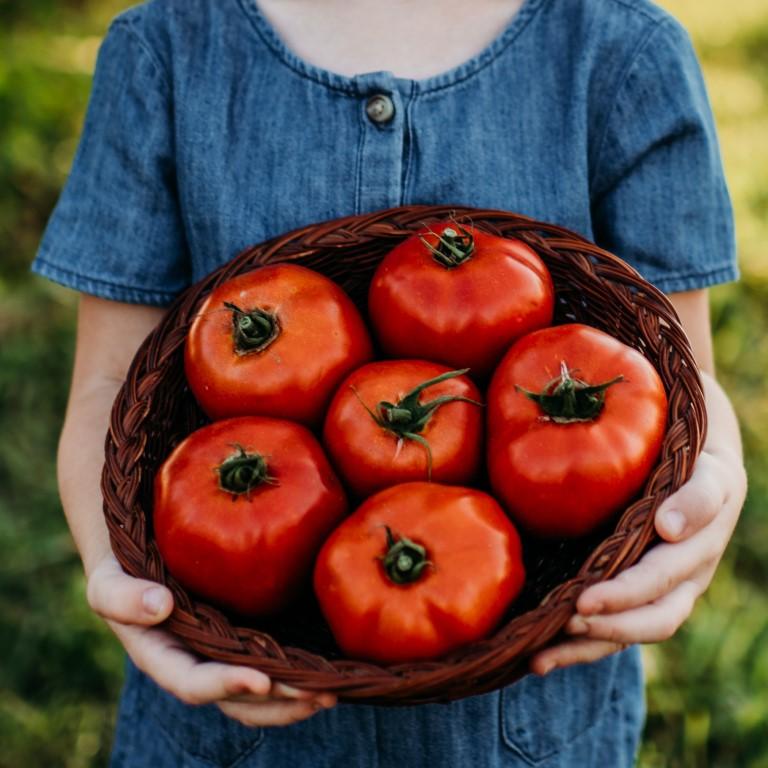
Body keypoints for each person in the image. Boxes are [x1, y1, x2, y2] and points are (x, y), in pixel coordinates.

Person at [32, 0, 747, 765]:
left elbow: (682, 372)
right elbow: (109, 382)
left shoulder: (624, 54)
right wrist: (121, 578)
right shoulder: (162, 52)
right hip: (232, 721)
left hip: (528, 728)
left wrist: (714, 487)